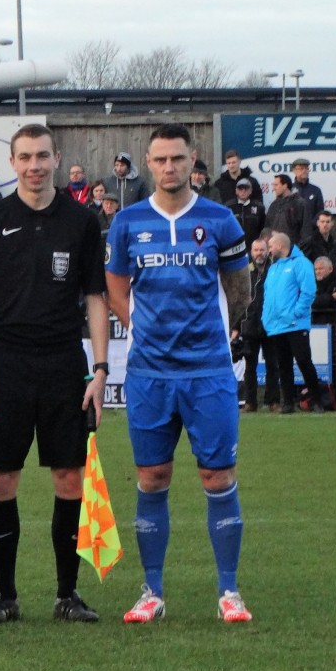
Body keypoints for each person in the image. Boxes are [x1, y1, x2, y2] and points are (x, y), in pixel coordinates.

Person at [105, 123, 253, 624]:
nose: (170, 167)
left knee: (216, 475)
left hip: (208, 370)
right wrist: (137, 327)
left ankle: (229, 592)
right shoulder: (127, 223)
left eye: (178, 159)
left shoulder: (220, 219)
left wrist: (224, 332)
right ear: (148, 163)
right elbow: (116, 288)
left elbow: (238, 287)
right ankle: (152, 591)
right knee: (151, 476)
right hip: (149, 372)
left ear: (194, 162)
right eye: (161, 159)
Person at [0, 123, 108, 626]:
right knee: (3, 477)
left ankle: (68, 594)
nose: (34, 166)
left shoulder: (83, 221)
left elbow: (95, 296)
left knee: (69, 477)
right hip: (4, 363)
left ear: (56, 157)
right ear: (13, 163)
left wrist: (101, 369)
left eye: (42, 156)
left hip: (64, 362)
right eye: (24, 157)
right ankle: (6, 596)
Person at [262, 231, 325, 414]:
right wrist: (266, 318)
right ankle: (287, 403)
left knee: (304, 362)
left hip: (296, 324)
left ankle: (317, 401)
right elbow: (268, 296)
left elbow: (308, 291)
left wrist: (296, 313)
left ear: (281, 246)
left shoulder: (301, 263)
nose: (270, 249)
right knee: (284, 365)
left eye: (271, 246)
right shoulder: (273, 268)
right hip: (276, 326)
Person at [231, 239, 280, 413]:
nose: (259, 253)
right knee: (249, 367)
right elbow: (238, 301)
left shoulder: (274, 270)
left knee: (273, 366)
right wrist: (235, 327)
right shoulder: (245, 272)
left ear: (268, 251)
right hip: (250, 325)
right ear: (251, 252)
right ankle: (251, 402)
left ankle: (273, 401)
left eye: (262, 249)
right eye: (256, 250)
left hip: (271, 326)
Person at [225, 179, 266, 250]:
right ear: (236, 191)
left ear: (250, 191)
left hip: (253, 247)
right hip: (233, 246)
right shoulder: (228, 206)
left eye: (246, 189)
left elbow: (263, 227)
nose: (243, 191)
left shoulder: (259, 207)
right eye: (240, 189)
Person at [266, 174, 306, 246]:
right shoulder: (273, 205)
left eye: (276, 185)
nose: (274, 188)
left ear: (285, 186)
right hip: (275, 250)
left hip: (293, 251)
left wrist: (298, 251)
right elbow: (267, 228)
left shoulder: (300, 203)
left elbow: (306, 232)